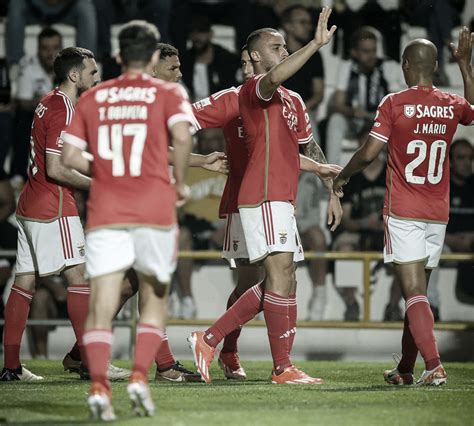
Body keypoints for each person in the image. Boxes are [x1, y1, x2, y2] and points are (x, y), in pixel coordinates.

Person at [188, 7, 341, 385]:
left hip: (279, 196)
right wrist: (316, 45)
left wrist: (328, 183)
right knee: (275, 277)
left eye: (286, 47)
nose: (284, 51)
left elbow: (303, 149)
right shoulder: (253, 91)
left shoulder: (293, 101)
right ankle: (220, 343)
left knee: (283, 277)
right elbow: (184, 122)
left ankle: (272, 361)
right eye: (277, 46)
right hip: (259, 195)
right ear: (256, 57)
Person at [62, 21, 194, 420]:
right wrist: (182, 183)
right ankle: (139, 376)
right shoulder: (169, 92)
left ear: (118, 56)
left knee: (103, 302)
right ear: (154, 57)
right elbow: (185, 138)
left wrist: (105, 169)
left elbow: (68, 159)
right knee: (153, 298)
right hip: (154, 208)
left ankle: (100, 386)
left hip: (107, 210)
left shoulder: (94, 97)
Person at [333, 27, 474, 386]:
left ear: (406, 65)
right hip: (437, 213)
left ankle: (434, 364)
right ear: (437, 66)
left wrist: (342, 177)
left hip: (403, 210)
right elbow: (472, 114)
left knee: (413, 294)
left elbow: (368, 153)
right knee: (419, 297)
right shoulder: (451, 103)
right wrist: (466, 66)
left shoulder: (394, 103)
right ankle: (407, 370)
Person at [0, 46, 100, 382]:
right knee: (80, 279)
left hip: (31, 203)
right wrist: (96, 184)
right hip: (54, 205)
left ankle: (12, 367)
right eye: (92, 72)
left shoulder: (48, 101)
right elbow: (57, 168)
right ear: (75, 75)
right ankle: (90, 361)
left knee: (24, 282)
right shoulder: (63, 109)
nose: (96, 78)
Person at [325, 26, 401, 165]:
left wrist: (369, 116)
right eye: (366, 51)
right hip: (354, 121)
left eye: (373, 50)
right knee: (336, 120)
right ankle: (331, 174)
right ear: (354, 52)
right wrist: (353, 112)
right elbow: (338, 104)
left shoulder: (388, 67)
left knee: (399, 125)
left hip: (378, 122)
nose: (371, 56)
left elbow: (395, 106)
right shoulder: (346, 67)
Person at [10, 27, 63, 183]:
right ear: (38, 50)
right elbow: (22, 102)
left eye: (55, 48)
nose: (50, 53)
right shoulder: (28, 66)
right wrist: (44, 104)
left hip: (63, 119)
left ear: (61, 48)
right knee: (23, 117)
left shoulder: (71, 67)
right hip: (36, 118)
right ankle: (19, 173)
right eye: (45, 48)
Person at [6, 0, 97, 68]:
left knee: (85, 6)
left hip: (65, 8)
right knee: (16, 4)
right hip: (35, 7)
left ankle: (87, 65)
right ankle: (16, 65)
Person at [281, 5, 325, 125]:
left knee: (308, 124)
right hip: (278, 110)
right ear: (288, 26)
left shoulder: (314, 56)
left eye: (309, 23)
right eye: (302, 22)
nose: (309, 27)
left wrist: (300, 109)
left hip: (305, 110)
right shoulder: (276, 54)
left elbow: (318, 93)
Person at [181, 15, 240, 101]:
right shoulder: (184, 61)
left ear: (210, 34)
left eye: (201, 32)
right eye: (193, 32)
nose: (197, 37)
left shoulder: (227, 59)